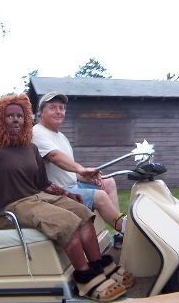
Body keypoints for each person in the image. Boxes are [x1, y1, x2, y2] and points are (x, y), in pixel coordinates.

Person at [0, 93, 133, 301]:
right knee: (67, 221)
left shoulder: (30, 148)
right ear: (1, 120)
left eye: (20, 116)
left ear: (26, 119)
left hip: (38, 197)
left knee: (83, 213)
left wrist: (67, 194)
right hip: (12, 206)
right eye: (10, 116)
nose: (16, 120)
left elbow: (43, 183)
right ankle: (86, 280)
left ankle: (99, 265)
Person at [32, 92, 126, 245]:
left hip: (72, 185)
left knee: (109, 182)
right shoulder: (37, 132)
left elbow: (69, 171)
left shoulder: (61, 136)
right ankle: (126, 231)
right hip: (55, 192)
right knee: (100, 196)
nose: (58, 111)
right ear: (41, 112)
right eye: (53, 108)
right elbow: (54, 156)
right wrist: (80, 169)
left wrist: (87, 177)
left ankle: (118, 236)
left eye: (62, 108)